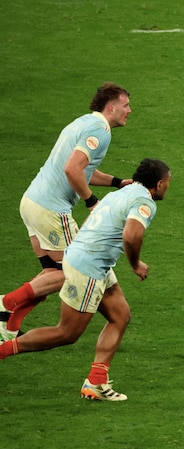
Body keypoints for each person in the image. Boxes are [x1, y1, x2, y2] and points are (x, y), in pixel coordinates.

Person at [0, 158, 171, 401]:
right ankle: (3, 350)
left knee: (120, 316)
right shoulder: (145, 202)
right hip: (88, 267)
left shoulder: (122, 192)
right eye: (168, 183)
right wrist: (136, 265)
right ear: (159, 183)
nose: (168, 187)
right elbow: (132, 237)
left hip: (88, 259)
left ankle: (96, 382)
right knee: (67, 333)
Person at [1, 82, 133, 342]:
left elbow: (82, 169)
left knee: (51, 273)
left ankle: (8, 326)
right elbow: (73, 169)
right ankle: (5, 303)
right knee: (73, 270)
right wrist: (91, 201)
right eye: (126, 105)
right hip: (51, 208)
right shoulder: (100, 130)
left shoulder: (83, 122)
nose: (130, 110)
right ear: (112, 107)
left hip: (32, 202)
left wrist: (117, 182)